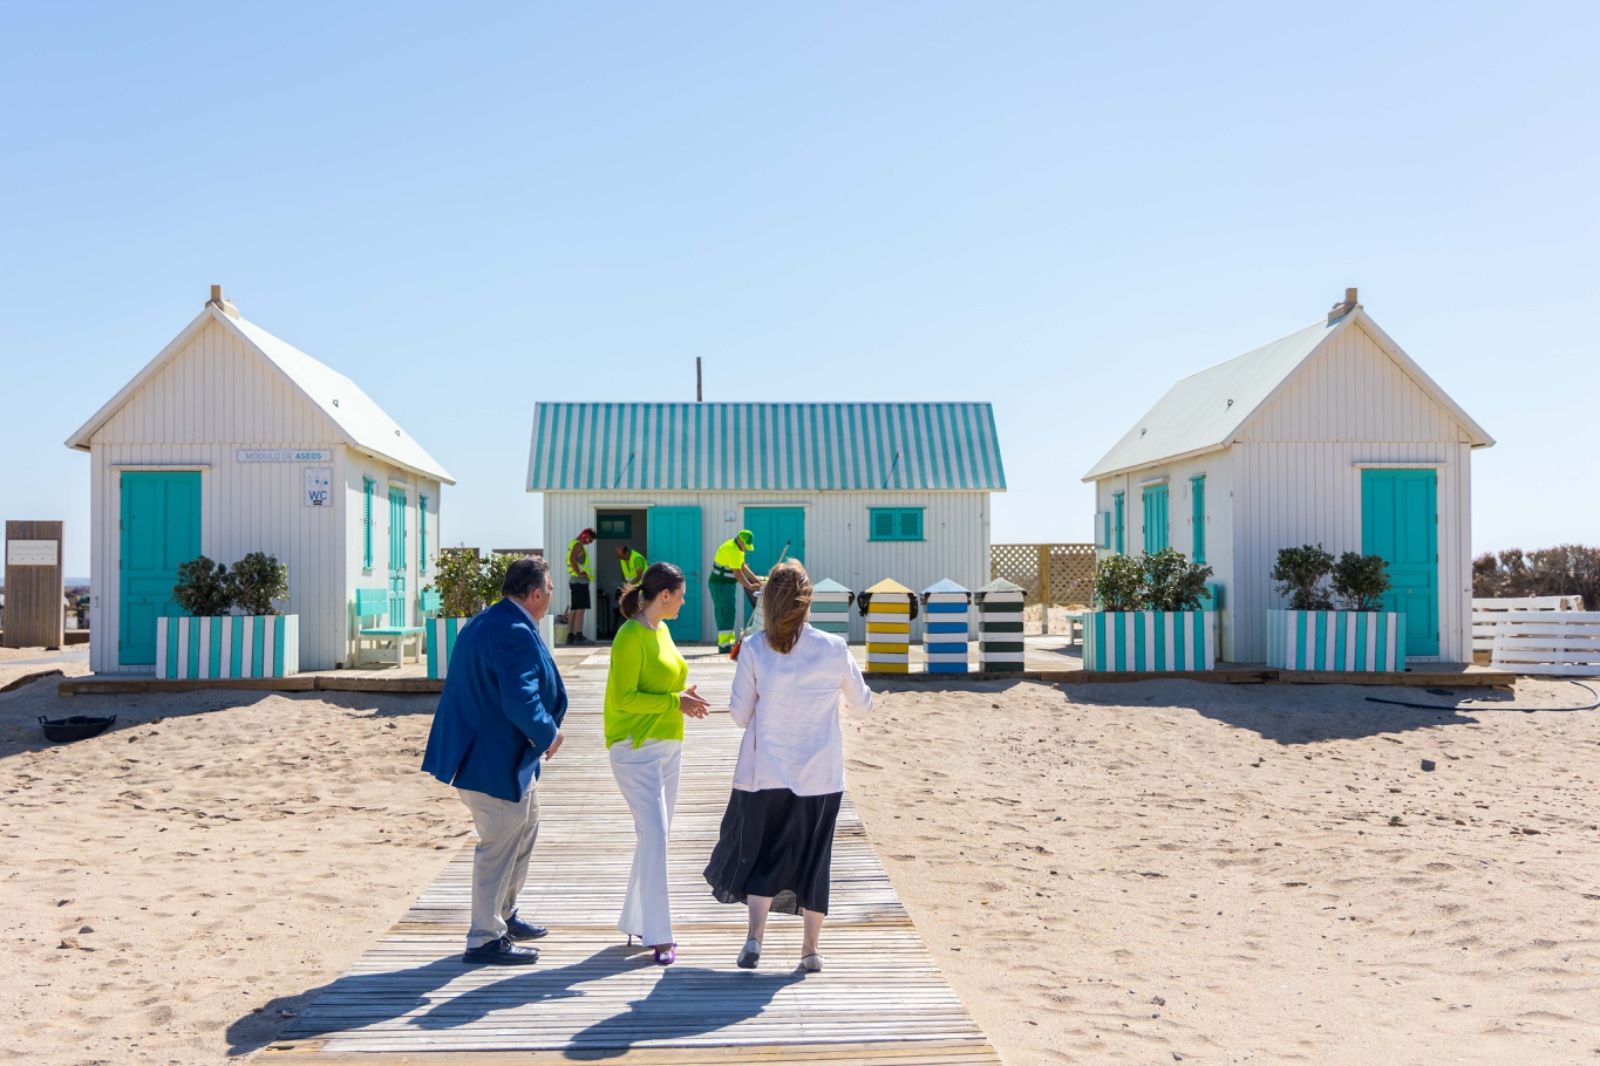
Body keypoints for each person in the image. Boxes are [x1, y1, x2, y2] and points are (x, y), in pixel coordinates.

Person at [703, 561, 873, 973]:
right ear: (807, 601)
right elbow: (862, 706)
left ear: (767, 603)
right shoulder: (833, 647)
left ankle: (754, 940)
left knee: (763, 854)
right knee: (816, 859)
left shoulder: (756, 648)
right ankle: (810, 950)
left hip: (766, 772)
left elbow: (739, 715)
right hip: (820, 773)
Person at [421, 557, 567, 966]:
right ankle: (484, 938)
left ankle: (503, 914)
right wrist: (549, 733)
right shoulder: (512, 630)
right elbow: (519, 697)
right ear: (536, 594)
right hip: (493, 759)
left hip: (503, 756)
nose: (552, 594)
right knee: (499, 844)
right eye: (550, 588)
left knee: (523, 831)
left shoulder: (490, 620)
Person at [604, 562, 710, 966]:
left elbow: (661, 685)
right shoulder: (630, 636)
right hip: (634, 749)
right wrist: (673, 701)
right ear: (664, 596)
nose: (684, 601)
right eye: (680, 595)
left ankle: (636, 917)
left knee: (655, 837)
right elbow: (623, 698)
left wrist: (683, 696)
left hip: (669, 745)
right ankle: (661, 936)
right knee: (657, 836)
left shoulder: (661, 630)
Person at [709, 529, 762, 654]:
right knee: (725, 614)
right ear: (740, 540)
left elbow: (742, 566)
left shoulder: (735, 547)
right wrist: (750, 586)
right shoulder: (734, 551)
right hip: (721, 586)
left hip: (726, 585)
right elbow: (738, 573)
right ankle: (724, 646)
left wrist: (755, 579)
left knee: (729, 613)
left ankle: (729, 644)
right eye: (745, 545)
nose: (746, 549)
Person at [566, 527, 596, 644]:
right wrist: (579, 573)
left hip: (575, 581)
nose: (590, 542)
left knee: (574, 608)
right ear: (585, 535)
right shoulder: (578, 545)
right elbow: (572, 559)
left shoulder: (574, 543)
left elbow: (573, 559)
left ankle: (570, 635)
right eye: (590, 539)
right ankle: (579, 634)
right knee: (580, 609)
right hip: (579, 582)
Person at [615, 543, 648, 618]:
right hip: (633, 590)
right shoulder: (622, 559)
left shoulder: (637, 559)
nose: (617, 557)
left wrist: (627, 587)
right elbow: (623, 574)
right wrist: (624, 585)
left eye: (619, 555)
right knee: (632, 612)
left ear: (626, 553)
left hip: (642, 590)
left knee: (641, 612)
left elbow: (639, 577)